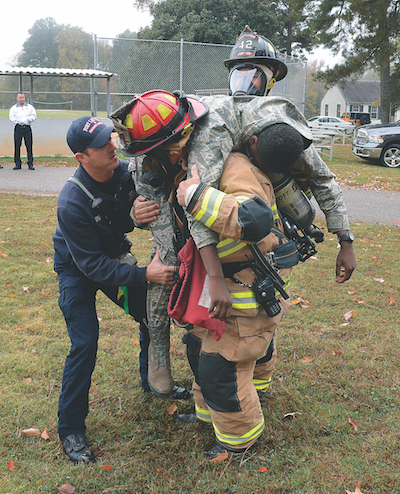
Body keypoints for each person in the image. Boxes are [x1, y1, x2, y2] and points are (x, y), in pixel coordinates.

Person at [53, 116, 176, 463]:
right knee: (85, 343)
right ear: (82, 157)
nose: (112, 147)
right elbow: (91, 266)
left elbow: (137, 207)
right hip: (77, 271)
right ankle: (71, 430)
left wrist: (136, 212)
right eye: (101, 145)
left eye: (111, 138)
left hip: (112, 255)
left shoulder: (125, 173)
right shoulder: (70, 201)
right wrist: (145, 275)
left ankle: (151, 382)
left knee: (149, 313)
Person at [9, 93, 37, 170]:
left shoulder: (30, 107)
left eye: (23, 97)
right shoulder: (13, 108)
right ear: (17, 99)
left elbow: (34, 116)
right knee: (17, 145)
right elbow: (11, 117)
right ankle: (18, 163)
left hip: (27, 128)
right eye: (20, 98)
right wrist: (18, 121)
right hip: (18, 128)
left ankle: (30, 163)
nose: (22, 99)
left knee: (29, 145)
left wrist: (27, 119)